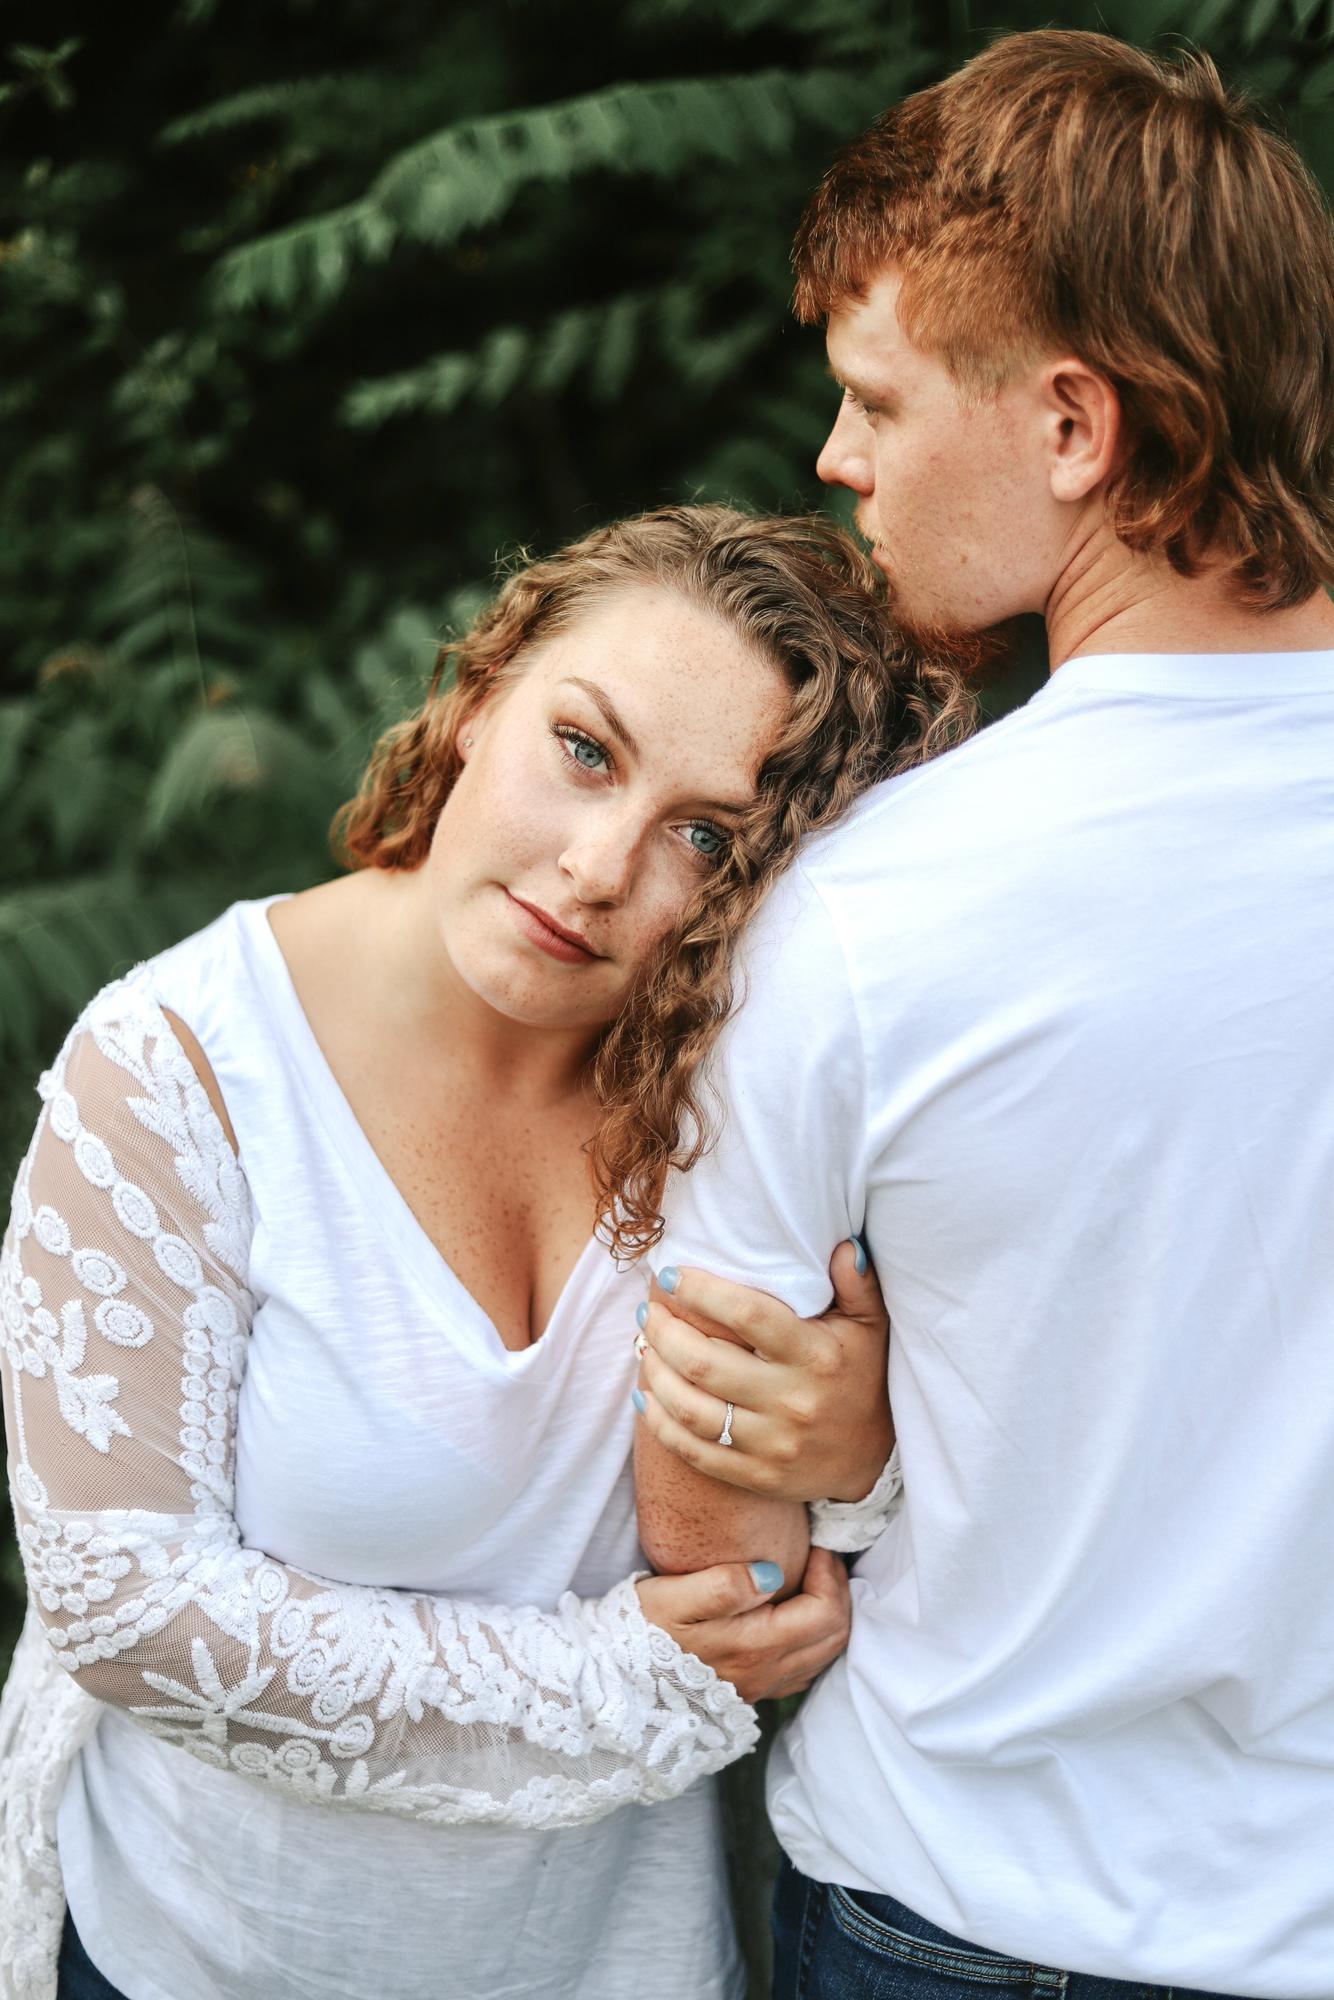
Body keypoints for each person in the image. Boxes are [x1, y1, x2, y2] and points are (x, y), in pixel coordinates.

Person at [0, 504, 971, 2000]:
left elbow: (823, 1575)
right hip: (197, 1959)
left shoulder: (752, 1103)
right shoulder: (180, 1070)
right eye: (584, 750)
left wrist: (861, 1453)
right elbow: (125, 1607)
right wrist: (626, 1683)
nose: (597, 867)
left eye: (704, 836)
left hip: (619, 1967)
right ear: (477, 696)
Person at [634, 32, 1334, 2000]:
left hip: (955, 1916)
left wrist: (871, 1454)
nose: (836, 459)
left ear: (1072, 427)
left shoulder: (872, 910)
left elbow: (716, 1536)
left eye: (876, 399)